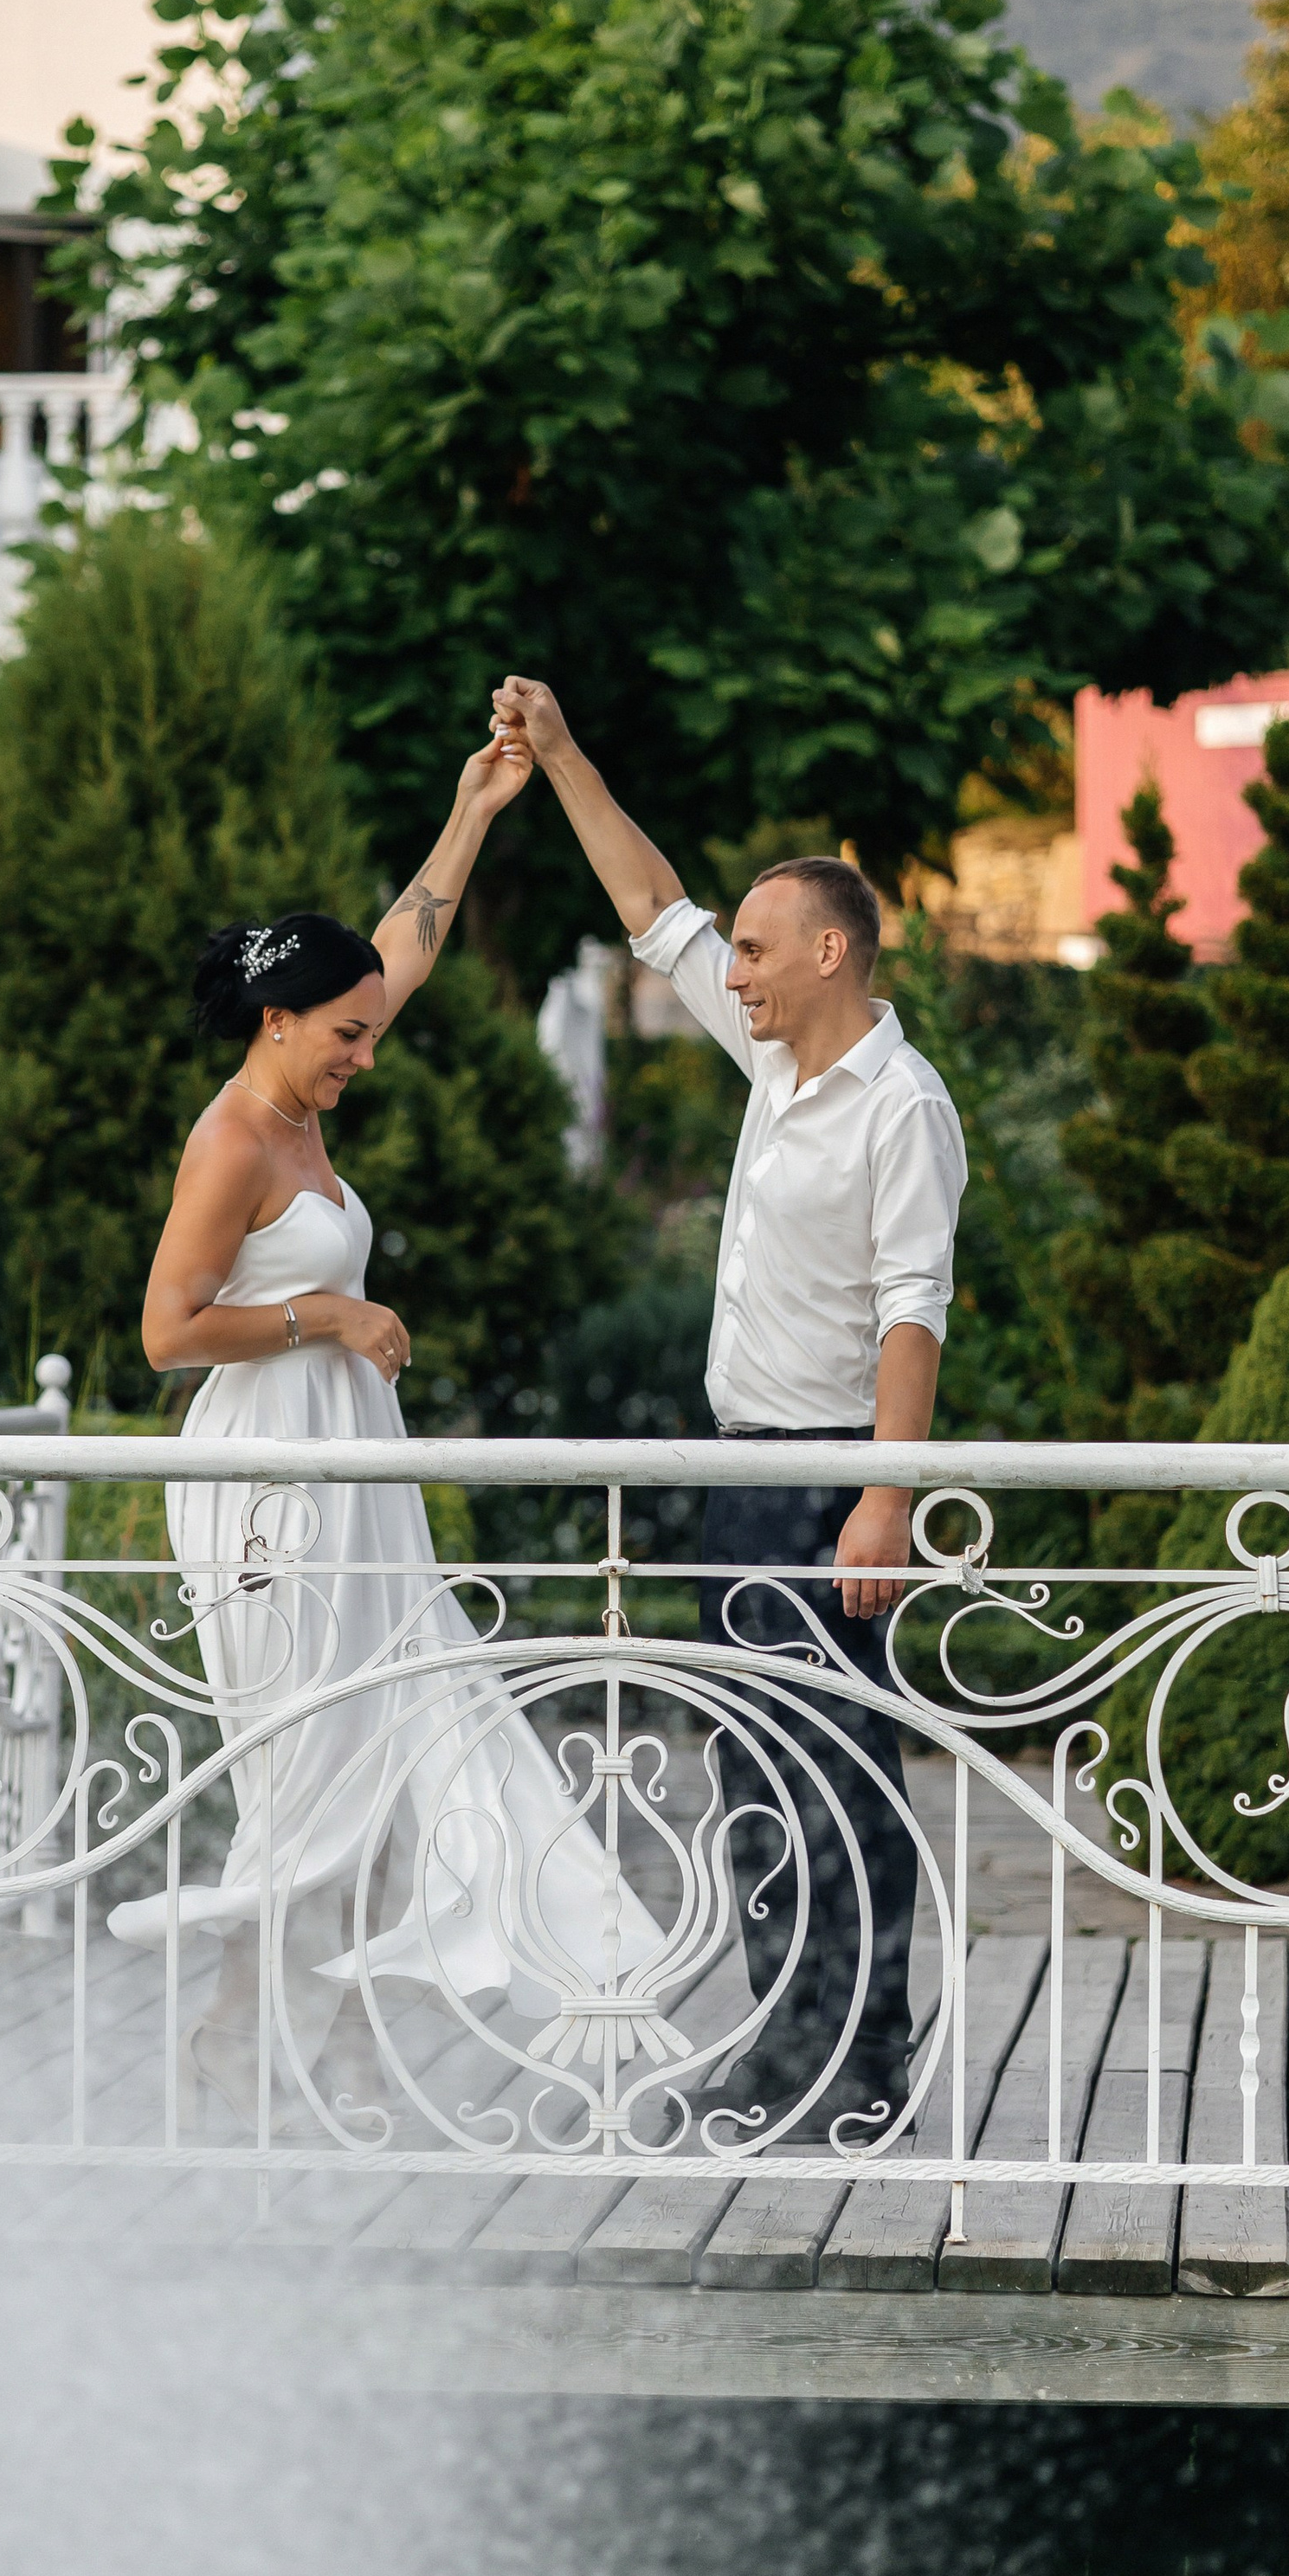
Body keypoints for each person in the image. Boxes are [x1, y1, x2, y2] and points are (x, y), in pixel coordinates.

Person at [112, 728, 672, 2127]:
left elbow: (397, 955)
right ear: (276, 1019)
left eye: (369, 1031)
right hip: (266, 1487)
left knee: (394, 1751)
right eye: (348, 1035)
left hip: (351, 1479)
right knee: (313, 1773)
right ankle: (245, 2043)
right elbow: (168, 1333)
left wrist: (474, 808)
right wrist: (327, 1316)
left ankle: (322, 2043)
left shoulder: (306, 1090)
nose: (369, 1054)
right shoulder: (233, 1139)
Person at [492, 673, 968, 2143]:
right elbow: (653, 906)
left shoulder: (903, 1104)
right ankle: (784, 2045)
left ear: (833, 950)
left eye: (759, 949)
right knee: (754, 1766)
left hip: (833, 1475)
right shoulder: (771, 1054)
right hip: (742, 1465)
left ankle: (857, 2064)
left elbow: (915, 1311)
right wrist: (563, 754)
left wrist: (886, 1497)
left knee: (841, 1772)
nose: (735, 969)